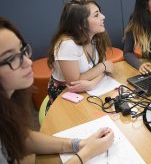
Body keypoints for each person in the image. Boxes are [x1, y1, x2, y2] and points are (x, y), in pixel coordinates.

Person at [0, 17, 114, 163]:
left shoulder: (8, 105)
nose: (28, 61)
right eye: (11, 58)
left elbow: (23, 136)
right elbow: (76, 80)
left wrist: (78, 144)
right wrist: (88, 153)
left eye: (23, 50)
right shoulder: (67, 44)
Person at [47, 0, 113, 110]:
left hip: (90, 89)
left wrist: (93, 83)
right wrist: (104, 66)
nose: (103, 17)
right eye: (96, 15)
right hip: (66, 95)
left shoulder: (95, 37)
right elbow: (74, 83)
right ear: (81, 24)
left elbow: (106, 70)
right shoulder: (67, 44)